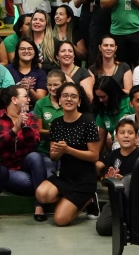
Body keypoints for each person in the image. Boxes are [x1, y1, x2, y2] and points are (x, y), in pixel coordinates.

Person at [35, 82, 101, 226]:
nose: (69, 99)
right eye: (65, 96)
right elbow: (53, 157)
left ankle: (88, 199)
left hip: (84, 179)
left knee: (60, 220)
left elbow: (94, 156)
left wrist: (68, 150)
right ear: (59, 100)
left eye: (73, 96)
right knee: (42, 194)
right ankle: (71, 200)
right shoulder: (56, 123)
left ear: (79, 101)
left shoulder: (88, 121)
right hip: (65, 176)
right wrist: (58, 151)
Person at [0, 85, 46, 220]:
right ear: (14, 99)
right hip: (6, 168)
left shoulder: (31, 118)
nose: (29, 99)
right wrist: (14, 130)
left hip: (24, 163)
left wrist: (25, 127)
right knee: (32, 183)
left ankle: (39, 205)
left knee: (36, 156)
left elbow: (34, 142)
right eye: (25, 96)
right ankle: (39, 185)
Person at [94, 118, 139, 236]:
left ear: (136, 137)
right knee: (102, 227)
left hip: (135, 201)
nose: (126, 136)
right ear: (116, 137)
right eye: (122, 133)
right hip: (117, 199)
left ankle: (129, 222)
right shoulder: (113, 155)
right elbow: (105, 180)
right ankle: (125, 222)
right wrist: (110, 179)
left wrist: (124, 180)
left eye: (130, 133)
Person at [7, 37, 46, 103]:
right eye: (22, 49)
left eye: (30, 49)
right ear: (17, 51)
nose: (26, 51)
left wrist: (29, 89)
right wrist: (20, 86)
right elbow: (3, 94)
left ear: (35, 52)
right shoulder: (7, 70)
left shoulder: (40, 73)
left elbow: (41, 100)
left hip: (33, 108)